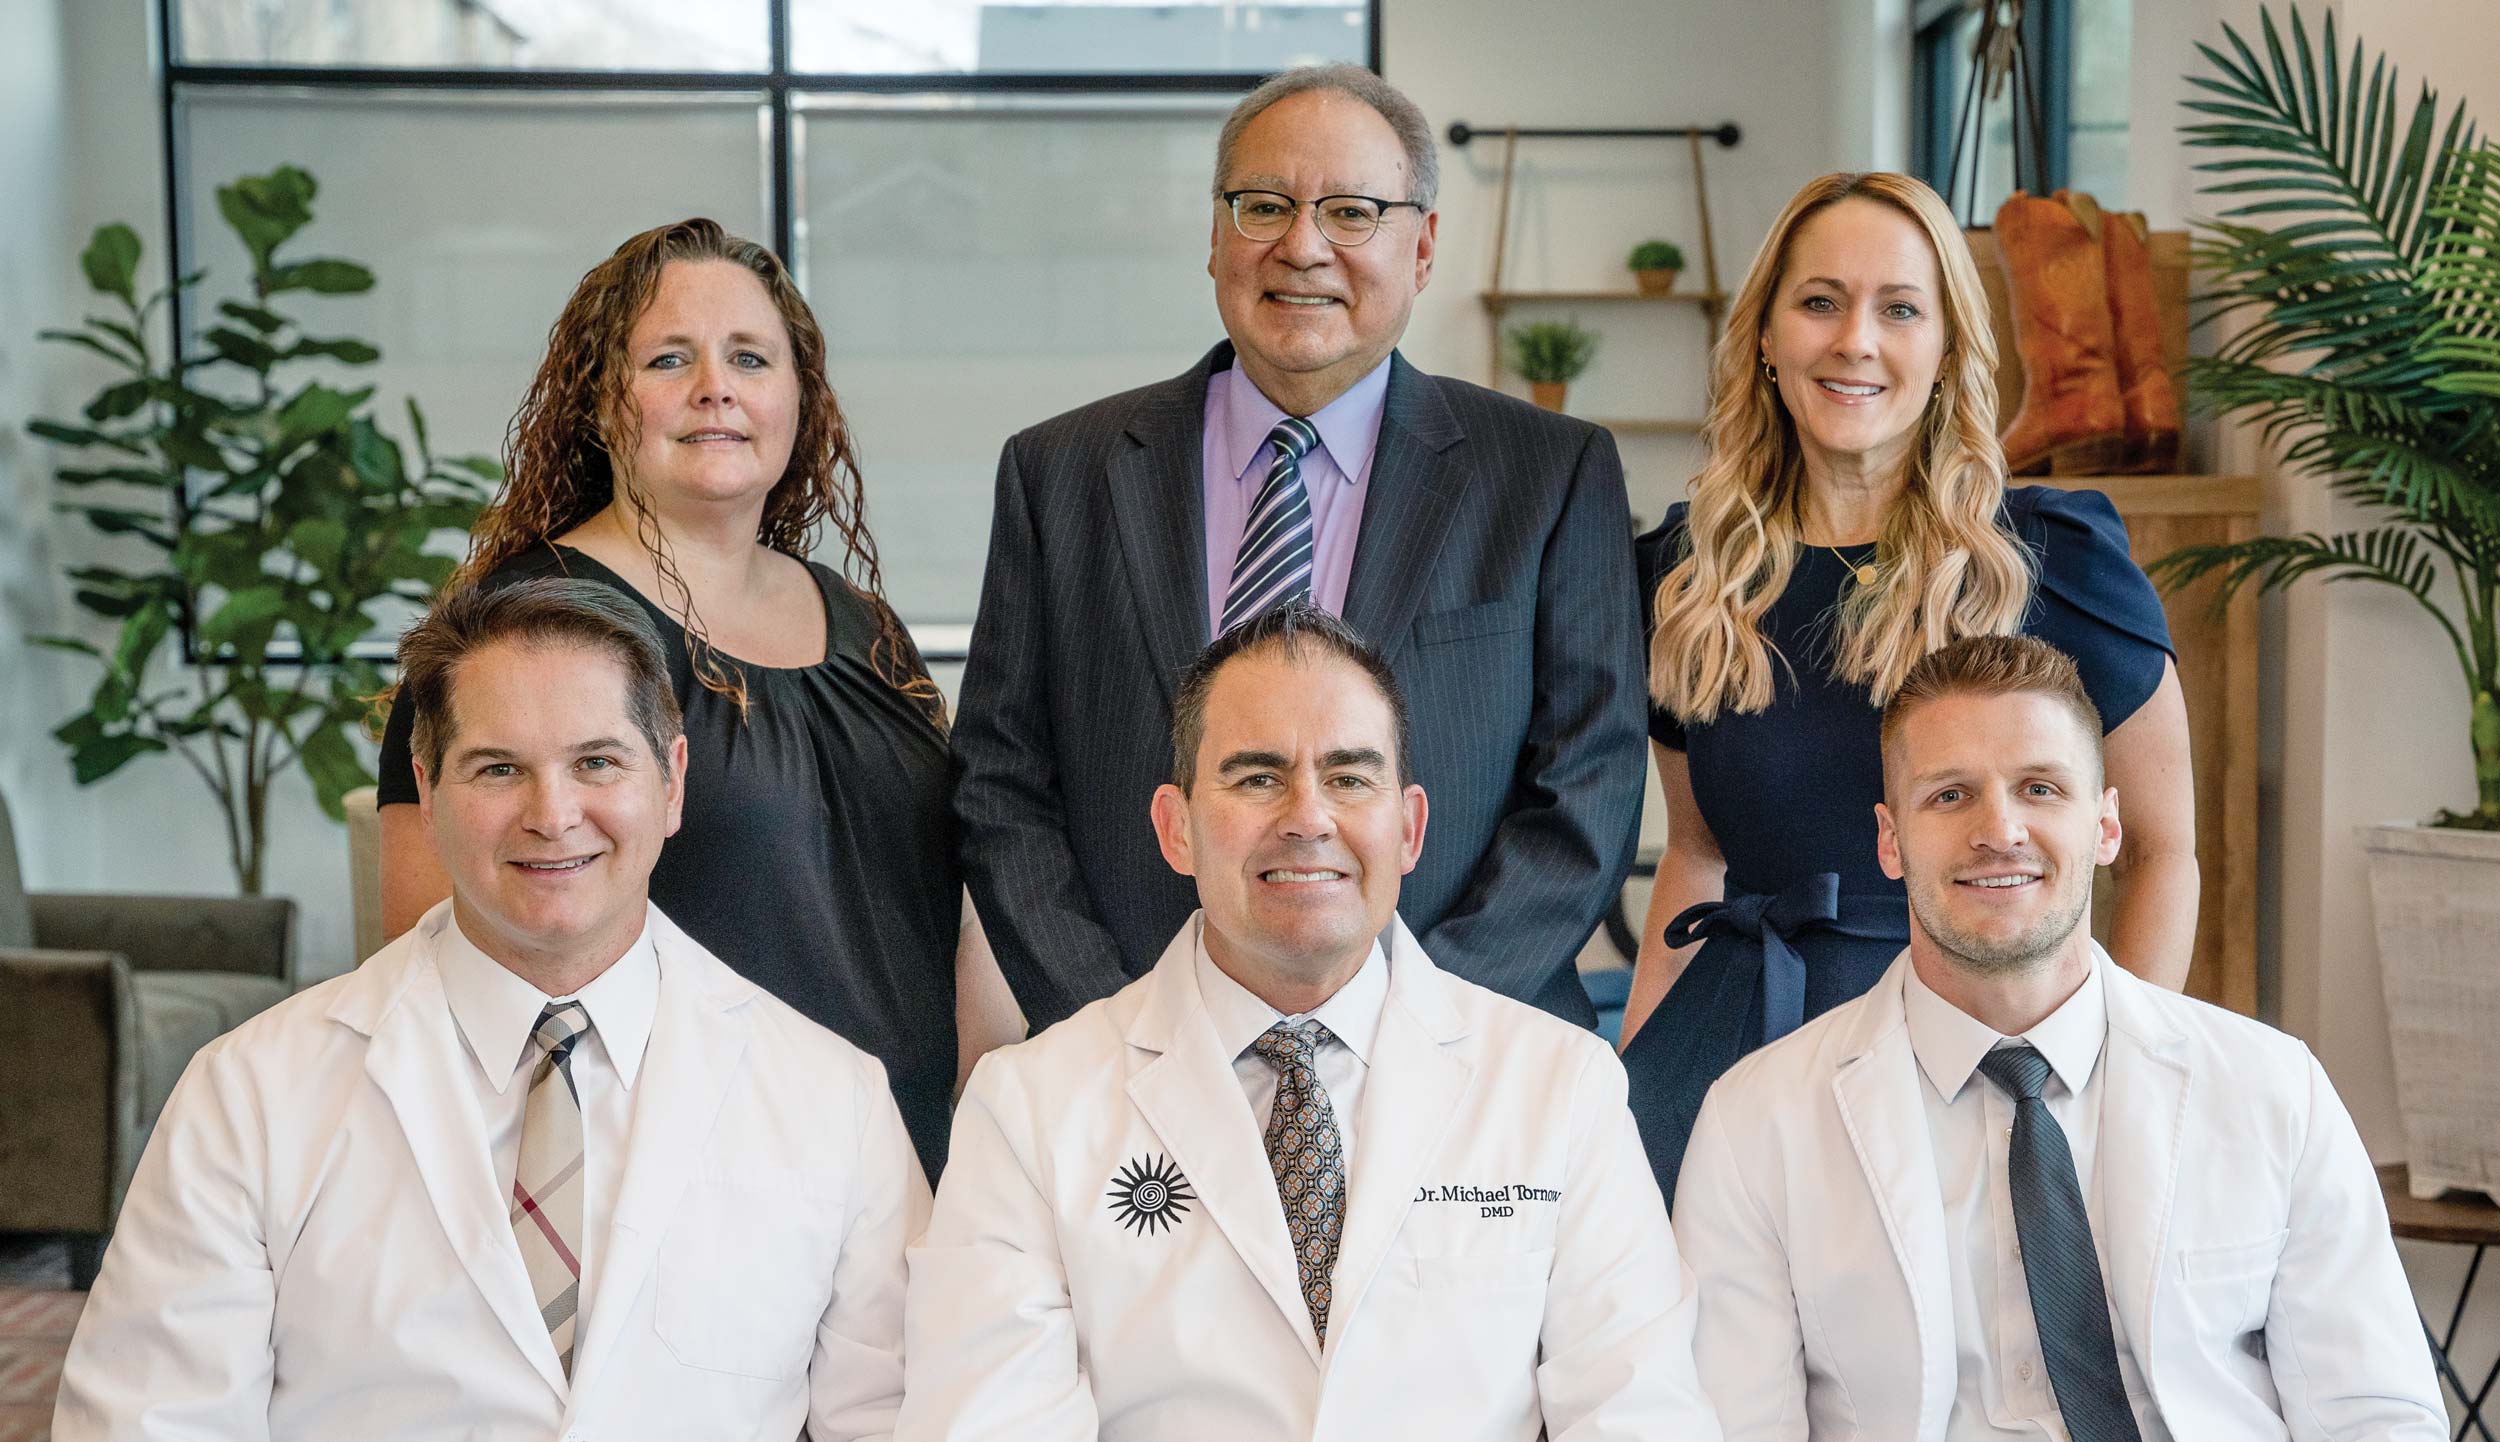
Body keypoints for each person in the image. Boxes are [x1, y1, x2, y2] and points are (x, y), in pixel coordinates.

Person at [54, 579, 926, 1442]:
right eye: (499, 769)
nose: (552, 816)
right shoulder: (249, 1094)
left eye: (597, 762)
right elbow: (146, 1422)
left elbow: (905, 1421)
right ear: (427, 793)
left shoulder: (833, 1101)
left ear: (671, 782)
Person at [899, 600, 1718, 1442]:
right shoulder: (1028, 1109)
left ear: (1408, 829)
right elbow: (983, 1423)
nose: (1307, 816)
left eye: (1350, 777)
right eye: (1257, 776)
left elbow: (1639, 1415)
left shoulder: (1561, 1088)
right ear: (1175, 829)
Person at [953, 64, 1647, 1035]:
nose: (1303, 246)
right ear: (1213, 234)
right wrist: (1118, 1021)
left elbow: (1588, 782)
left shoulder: (1547, 474)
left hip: (1463, 1058)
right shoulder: (1060, 473)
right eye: (1263, 205)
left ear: (1424, 245)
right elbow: (1000, 777)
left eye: (1353, 211)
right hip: (1137, 1062)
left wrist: (1399, 1027)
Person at [1672, 634, 2441, 1442]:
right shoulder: (1755, 1124)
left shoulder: (2274, 1089)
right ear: (1890, 841)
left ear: (2106, 826)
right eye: (1949, 795)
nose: (2000, 830)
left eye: (2040, 788)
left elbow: (2376, 1415)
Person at [373, 218, 1016, 1180]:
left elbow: (955, 905)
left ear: (799, 397)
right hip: (661, 1187)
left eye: (750, 357)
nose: (715, 386)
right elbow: (436, 961)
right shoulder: (520, 627)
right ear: (599, 402)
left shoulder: (865, 626)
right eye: (669, 358)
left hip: (901, 1168)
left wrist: (992, 1135)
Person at [1620, 172, 2198, 1200]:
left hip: (1975, 1044)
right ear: (1764, 335)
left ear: (1944, 349)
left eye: (1898, 308)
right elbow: (1697, 856)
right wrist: (1633, 1086)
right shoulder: (1689, 570)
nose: (1855, 340)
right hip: (1731, 1051)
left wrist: (2110, 1082)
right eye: (1819, 301)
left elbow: (2161, 850)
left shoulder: (2052, 559)